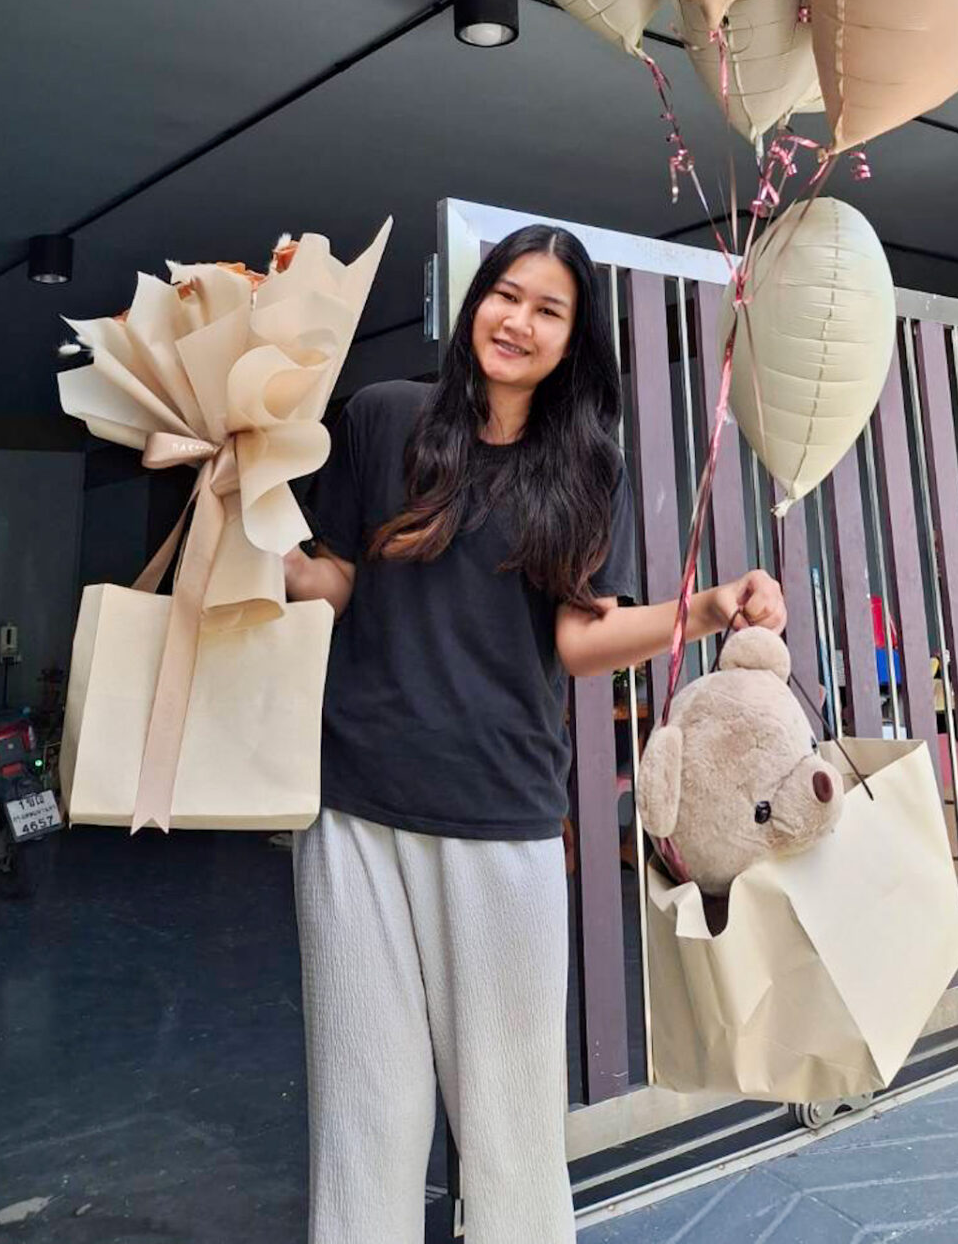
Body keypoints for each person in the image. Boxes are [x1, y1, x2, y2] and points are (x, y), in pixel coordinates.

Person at [284, 223, 787, 1244]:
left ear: (572, 338)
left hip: (499, 812)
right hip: (354, 803)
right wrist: (236, 513)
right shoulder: (383, 419)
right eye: (504, 296)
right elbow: (332, 580)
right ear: (475, 303)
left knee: (510, 1120)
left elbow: (573, 636)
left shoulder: (583, 469)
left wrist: (705, 607)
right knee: (361, 1104)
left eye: (546, 309)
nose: (516, 321)